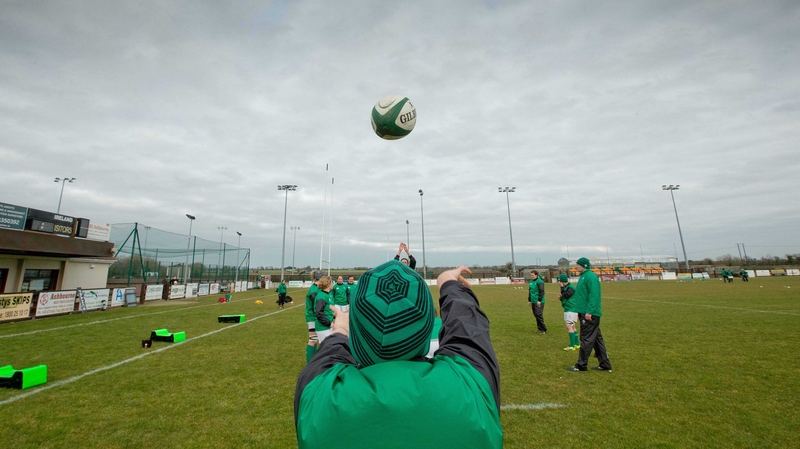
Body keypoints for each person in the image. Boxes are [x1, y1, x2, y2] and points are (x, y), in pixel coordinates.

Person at [294, 262, 502, 449]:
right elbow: (466, 325)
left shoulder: (319, 397)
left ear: (356, 333)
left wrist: (340, 330)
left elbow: (329, 355)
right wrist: (447, 281)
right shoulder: (470, 384)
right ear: (430, 324)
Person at [567, 258, 612, 373]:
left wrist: (589, 312)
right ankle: (605, 364)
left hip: (590, 314)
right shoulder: (583, 276)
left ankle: (581, 365)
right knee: (597, 339)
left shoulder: (590, 277)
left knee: (586, 339)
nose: (576, 266)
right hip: (584, 312)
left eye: (577, 265)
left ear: (584, 265)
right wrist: (580, 312)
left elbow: (594, 295)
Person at [303, 271, 323, 363]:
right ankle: (310, 364)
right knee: (313, 340)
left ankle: (314, 361)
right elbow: (317, 307)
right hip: (313, 318)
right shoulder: (314, 290)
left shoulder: (317, 288)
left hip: (316, 317)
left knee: (317, 340)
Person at [557, 273, 579, 351]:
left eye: (559, 281)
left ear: (562, 281)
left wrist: (562, 288)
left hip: (571, 309)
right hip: (569, 308)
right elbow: (566, 297)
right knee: (573, 326)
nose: (558, 283)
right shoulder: (567, 287)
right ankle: (577, 344)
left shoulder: (570, 287)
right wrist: (561, 298)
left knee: (569, 326)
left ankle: (572, 346)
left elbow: (566, 295)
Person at [313, 276, 335, 343]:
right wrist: (329, 323)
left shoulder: (328, 294)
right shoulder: (322, 296)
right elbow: (319, 313)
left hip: (328, 326)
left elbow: (328, 310)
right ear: (328, 284)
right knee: (327, 350)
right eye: (331, 282)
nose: (332, 284)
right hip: (323, 328)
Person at [528, 270, 546, 334]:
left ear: (536, 275)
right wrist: (529, 300)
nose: (532, 276)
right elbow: (530, 291)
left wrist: (539, 300)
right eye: (531, 275)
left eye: (533, 275)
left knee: (538, 314)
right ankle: (539, 328)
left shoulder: (540, 282)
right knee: (536, 315)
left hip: (538, 301)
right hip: (533, 301)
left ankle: (543, 329)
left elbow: (541, 291)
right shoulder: (531, 282)